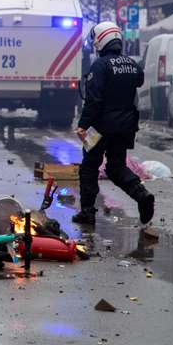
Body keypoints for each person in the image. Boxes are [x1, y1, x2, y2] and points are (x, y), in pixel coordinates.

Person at [74, 22, 154, 225]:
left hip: (100, 128)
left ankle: (87, 212)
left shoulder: (99, 66)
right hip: (125, 127)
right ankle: (142, 195)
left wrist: (83, 125)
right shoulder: (132, 65)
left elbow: (94, 100)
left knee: (89, 167)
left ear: (100, 41)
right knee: (116, 167)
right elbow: (139, 81)